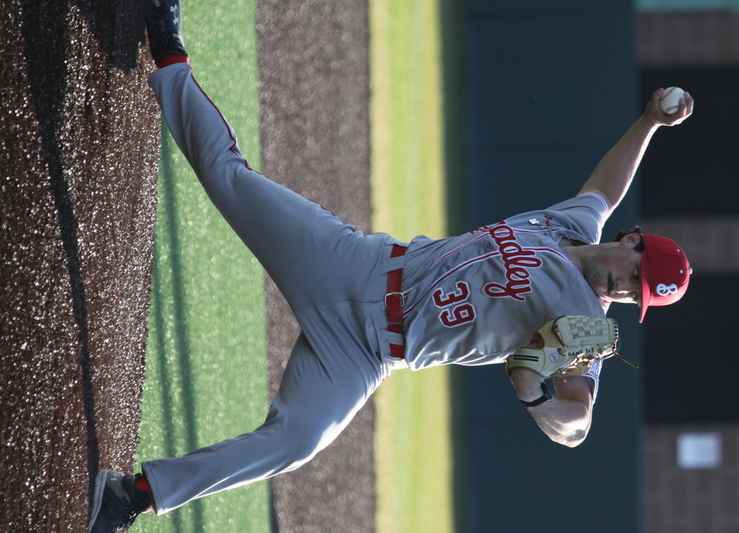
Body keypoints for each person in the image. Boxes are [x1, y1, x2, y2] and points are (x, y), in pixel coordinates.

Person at [88, 0, 694, 531]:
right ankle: (167, 49)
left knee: (299, 441)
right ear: (632, 241)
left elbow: (578, 423)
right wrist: (648, 123)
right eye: (632, 273)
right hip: (355, 265)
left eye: (634, 296)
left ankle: (133, 495)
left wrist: (542, 403)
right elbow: (606, 188)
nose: (622, 289)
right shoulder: (569, 225)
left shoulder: (586, 324)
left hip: (369, 350)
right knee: (229, 178)